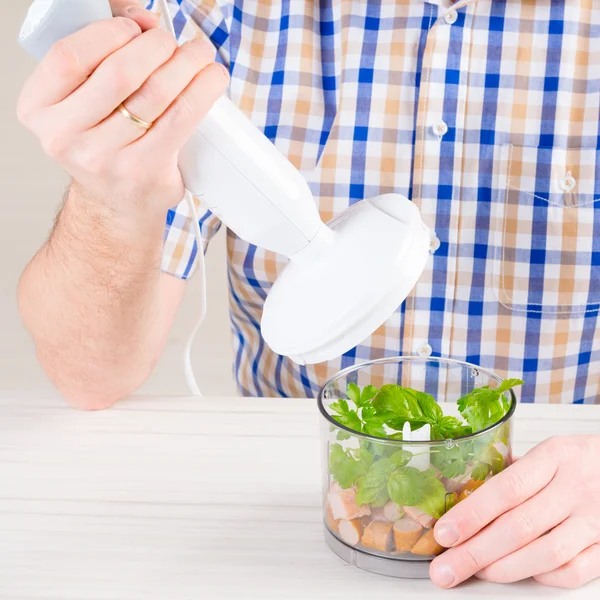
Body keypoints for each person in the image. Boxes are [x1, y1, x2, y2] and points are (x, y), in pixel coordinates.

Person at [16, 0, 600, 589]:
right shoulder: (218, 16)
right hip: (289, 544)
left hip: (552, 564)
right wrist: (108, 199)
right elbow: (90, 374)